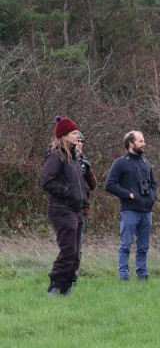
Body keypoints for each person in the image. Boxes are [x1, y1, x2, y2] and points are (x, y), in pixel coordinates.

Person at [42, 116, 89, 296]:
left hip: (76, 210)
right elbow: (47, 182)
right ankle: (54, 286)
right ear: (63, 135)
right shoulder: (56, 156)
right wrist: (69, 192)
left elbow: (82, 184)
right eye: (73, 133)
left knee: (76, 253)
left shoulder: (74, 159)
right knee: (68, 250)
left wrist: (82, 196)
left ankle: (67, 286)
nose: (77, 136)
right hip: (61, 209)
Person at [105, 130, 158, 281]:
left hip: (147, 211)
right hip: (129, 211)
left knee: (143, 247)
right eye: (141, 141)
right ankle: (124, 276)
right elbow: (109, 185)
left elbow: (154, 184)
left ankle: (142, 275)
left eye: (143, 141)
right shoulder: (120, 162)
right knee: (125, 245)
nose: (144, 144)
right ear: (131, 143)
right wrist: (128, 194)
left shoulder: (146, 163)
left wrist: (153, 197)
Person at [74, 132, 96, 269]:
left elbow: (92, 185)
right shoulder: (64, 160)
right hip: (67, 208)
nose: (80, 144)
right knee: (66, 245)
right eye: (77, 141)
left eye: (82, 142)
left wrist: (88, 169)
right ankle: (62, 275)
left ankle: (74, 275)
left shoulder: (84, 161)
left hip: (83, 208)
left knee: (78, 244)